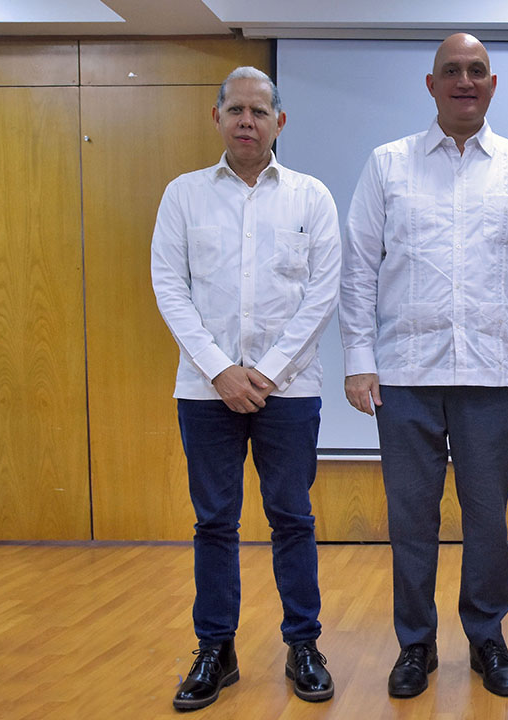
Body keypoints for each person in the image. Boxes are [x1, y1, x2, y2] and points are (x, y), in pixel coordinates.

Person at [340, 33, 508, 699]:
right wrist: (358, 360)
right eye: (451, 71)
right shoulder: (388, 165)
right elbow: (359, 269)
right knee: (411, 520)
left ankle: (486, 637)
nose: (464, 80)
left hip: (492, 377)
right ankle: (415, 644)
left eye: (476, 71)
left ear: (492, 85)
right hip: (405, 376)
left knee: (487, 519)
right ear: (431, 84)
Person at [151, 66, 338, 711]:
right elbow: (169, 288)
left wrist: (268, 371)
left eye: (260, 111)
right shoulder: (183, 195)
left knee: (292, 518)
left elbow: (322, 294)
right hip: (207, 392)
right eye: (236, 110)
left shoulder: (311, 196)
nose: (247, 122)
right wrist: (220, 370)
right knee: (214, 522)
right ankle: (215, 650)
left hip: (290, 390)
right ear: (218, 118)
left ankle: (303, 645)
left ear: (279, 121)